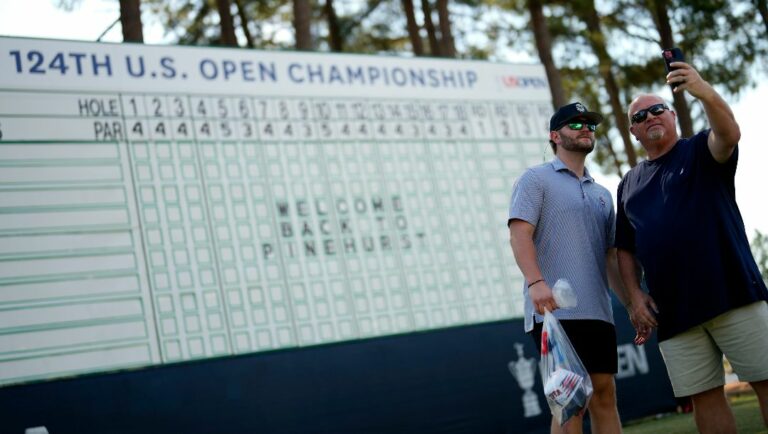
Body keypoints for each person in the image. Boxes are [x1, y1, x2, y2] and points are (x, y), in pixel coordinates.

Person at [616, 59, 768, 434]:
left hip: (734, 293)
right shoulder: (627, 184)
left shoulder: (700, 149)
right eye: (639, 116)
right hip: (676, 313)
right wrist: (635, 296)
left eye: (657, 109)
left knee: (766, 379)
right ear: (633, 132)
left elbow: (729, 133)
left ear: (671, 116)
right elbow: (624, 249)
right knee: (704, 396)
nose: (649, 117)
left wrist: (702, 90)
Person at [508, 102, 630, 434]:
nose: (585, 129)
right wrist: (536, 283)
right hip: (554, 312)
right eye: (575, 125)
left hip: (598, 312)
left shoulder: (602, 194)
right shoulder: (535, 179)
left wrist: (632, 304)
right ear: (555, 135)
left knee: (605, 397)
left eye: (589, 124)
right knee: (571, 401)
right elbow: (520, 233)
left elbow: (610, 257)